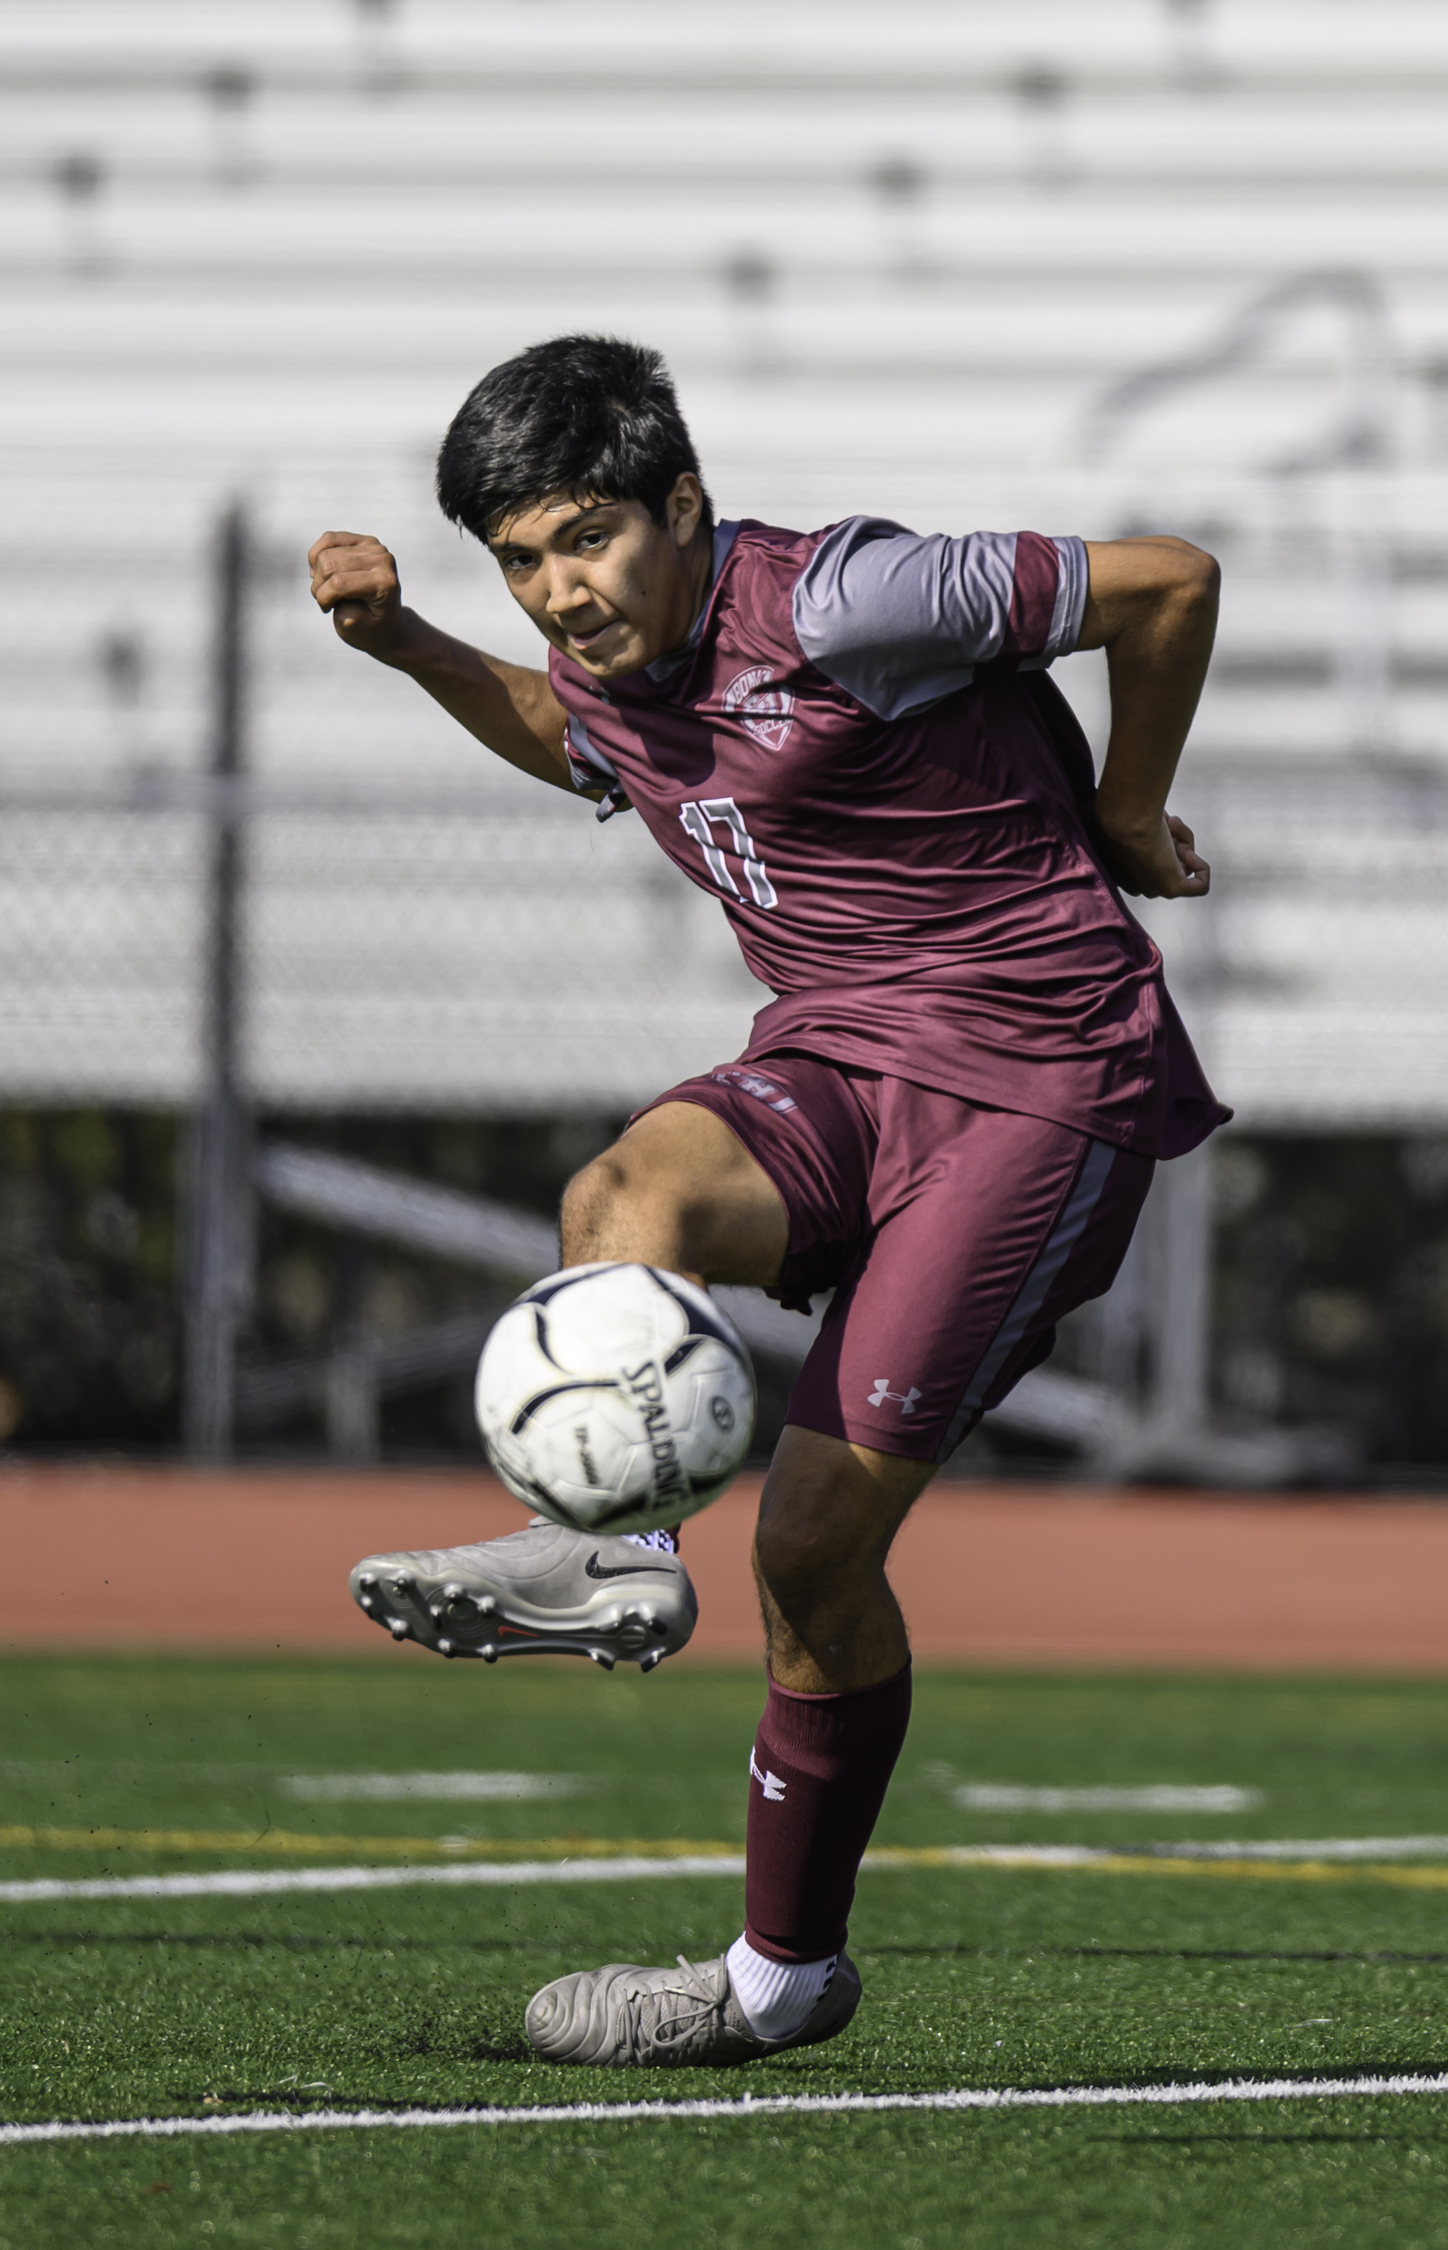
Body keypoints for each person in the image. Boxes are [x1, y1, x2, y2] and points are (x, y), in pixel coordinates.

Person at [309, 333, 1229, 2071]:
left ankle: (777, 1976)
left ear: (682, 501)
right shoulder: (618, 660)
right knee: (624, 1190)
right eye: (517, 560)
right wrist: (411, 642)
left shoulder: (848, 603)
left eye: (586, 538)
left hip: (1038, 1084)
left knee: (810, 1551)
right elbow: (583, 739)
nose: (559, 592)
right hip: (834, 1054)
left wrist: (1124, 804)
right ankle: (611, 1551)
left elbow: (1170, 583)